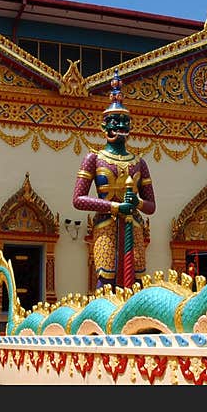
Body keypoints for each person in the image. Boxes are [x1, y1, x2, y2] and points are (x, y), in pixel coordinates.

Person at [72, 71, 156, 289]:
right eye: (114, 121)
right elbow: (78, 199)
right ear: (104, 127)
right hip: (106, 226)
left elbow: (151, 206)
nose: (119, 126)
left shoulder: (139, 162)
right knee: (106, 280)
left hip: (133, 225)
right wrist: (114, 206)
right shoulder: (94, 158)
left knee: (137, 281)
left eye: (124, 122)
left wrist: (136, 203)